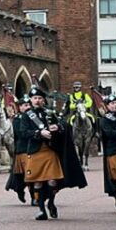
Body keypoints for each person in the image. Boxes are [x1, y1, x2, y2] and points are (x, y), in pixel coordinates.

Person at [21, 86, 87, 220]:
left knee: (52, 182)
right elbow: (23, 132)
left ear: (43, 100)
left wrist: (58, 127)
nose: (37, 101)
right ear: (31, 100)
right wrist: (39, 133)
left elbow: (63, 125)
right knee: (37, 183)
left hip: (50, 151)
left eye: (40, 98)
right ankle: (41, 210)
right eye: (35, 98)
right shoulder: (26, 116)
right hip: (35, 151)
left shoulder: (50, 113)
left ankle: (51, 203)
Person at [5, 95, 32, 204]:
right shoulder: (17, 120)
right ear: (20, 107)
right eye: (25, 105)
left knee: (33, 175)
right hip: (23, 150)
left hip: (34, 149)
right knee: (20, 176)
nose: (27, 107)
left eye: (28, 105)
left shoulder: (34, 117)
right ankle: (20, 190)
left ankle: (35, 197)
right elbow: (20, 134)